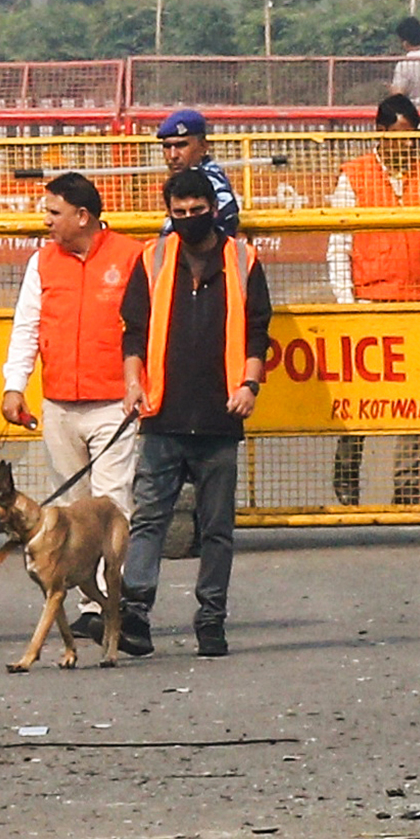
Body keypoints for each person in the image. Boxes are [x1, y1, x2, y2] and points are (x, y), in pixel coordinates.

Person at [118, 167, 272, 659]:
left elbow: (257, 331)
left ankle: (211, 620)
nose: (187, 219)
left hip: (220, 415)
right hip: (162, 415)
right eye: (178, 212)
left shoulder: (243, 259)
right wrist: (132, 384)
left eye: (196, 211)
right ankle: (135, 616)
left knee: (217, 529)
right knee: (148, 521)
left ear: (213, 209)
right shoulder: (153, 258)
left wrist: (249, 385)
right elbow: (133, 332)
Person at [0, 171, 143, 641]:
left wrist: (140, 385)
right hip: (60, 402)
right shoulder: (43, 263)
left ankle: (112, 605)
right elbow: (26, 326)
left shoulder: (130, 257)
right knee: (67, 507)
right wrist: (14, 385)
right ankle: (88, 604)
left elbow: (147, 329)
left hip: (113, 405)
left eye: (53, 213)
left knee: (112, 504)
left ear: (83, 216)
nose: (46, 222)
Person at [326, 93, 420, 507]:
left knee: (419, 401)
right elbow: (338, 245)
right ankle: (347, 480)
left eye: (413, 136)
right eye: (400, 136)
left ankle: (406, 487)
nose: (407, 144)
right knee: (361, 403)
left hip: (418, 300)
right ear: (381, 132)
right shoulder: (353, 176)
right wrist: (347, 303)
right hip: (369, 304)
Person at [156, 109, 239, 238]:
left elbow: (225, 219)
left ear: (203, 146)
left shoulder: (210, 180)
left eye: (181, 145)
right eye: (167, 147)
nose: (173, 155)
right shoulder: (183, 178)